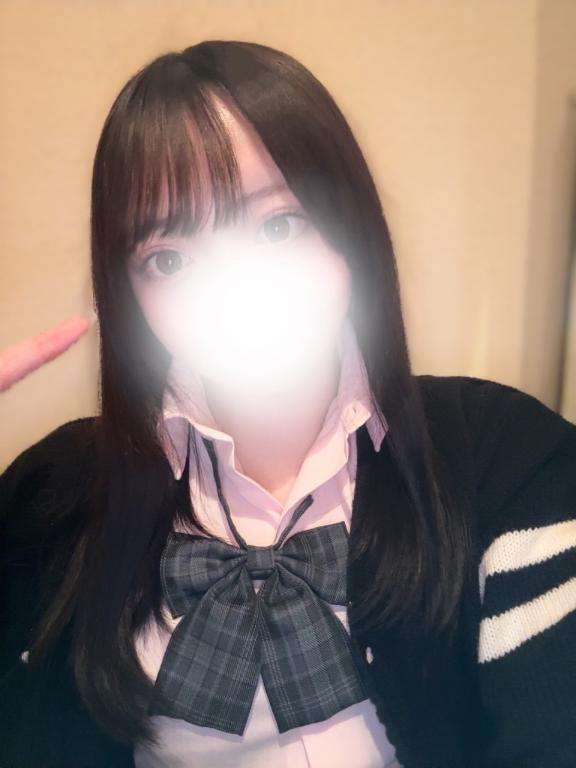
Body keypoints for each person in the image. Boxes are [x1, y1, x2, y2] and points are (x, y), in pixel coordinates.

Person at [1, 40, 575, 768]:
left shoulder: (506, 457)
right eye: (167, 259)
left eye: (278, 224)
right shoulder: (51, 498)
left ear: (350, 228)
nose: (232, 289)